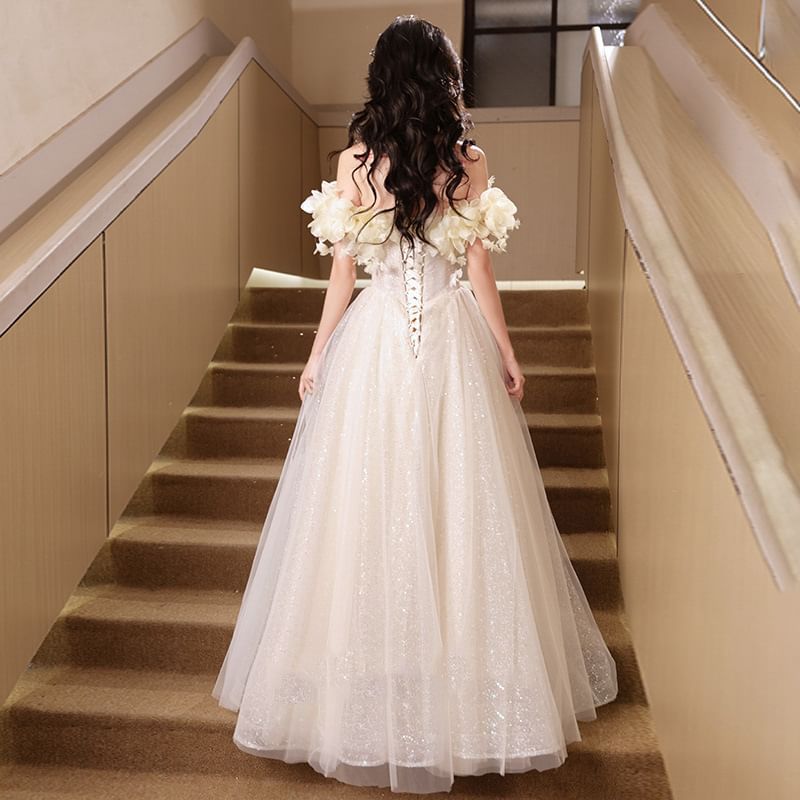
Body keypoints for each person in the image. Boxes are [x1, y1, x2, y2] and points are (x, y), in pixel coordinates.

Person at [212, 14, 618, 794]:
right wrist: (505, 350)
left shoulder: (355, 160)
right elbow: (478, 268)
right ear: (443, 78)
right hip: (448, 340)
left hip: (375, 345)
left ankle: (373, 680)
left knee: (369, 503)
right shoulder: (465, 160)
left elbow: (343, 274)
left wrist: (319, 354)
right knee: (455, 503)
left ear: (382, 78)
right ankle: (460, 691)